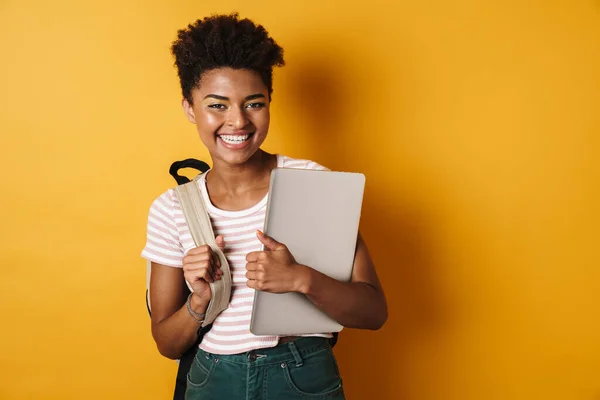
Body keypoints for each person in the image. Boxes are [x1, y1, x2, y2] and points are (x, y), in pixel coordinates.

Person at [141, 13, 388, 400]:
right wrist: (200, 300)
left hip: (302, 374)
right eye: (217, 106)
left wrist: (300, 279)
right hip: (212, 378)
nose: (237, 121)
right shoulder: (171, 208)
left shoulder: (313, 182)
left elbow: (374, 312)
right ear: (190, 108)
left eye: (253, 103)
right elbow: (167, 343)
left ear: (269, 102)